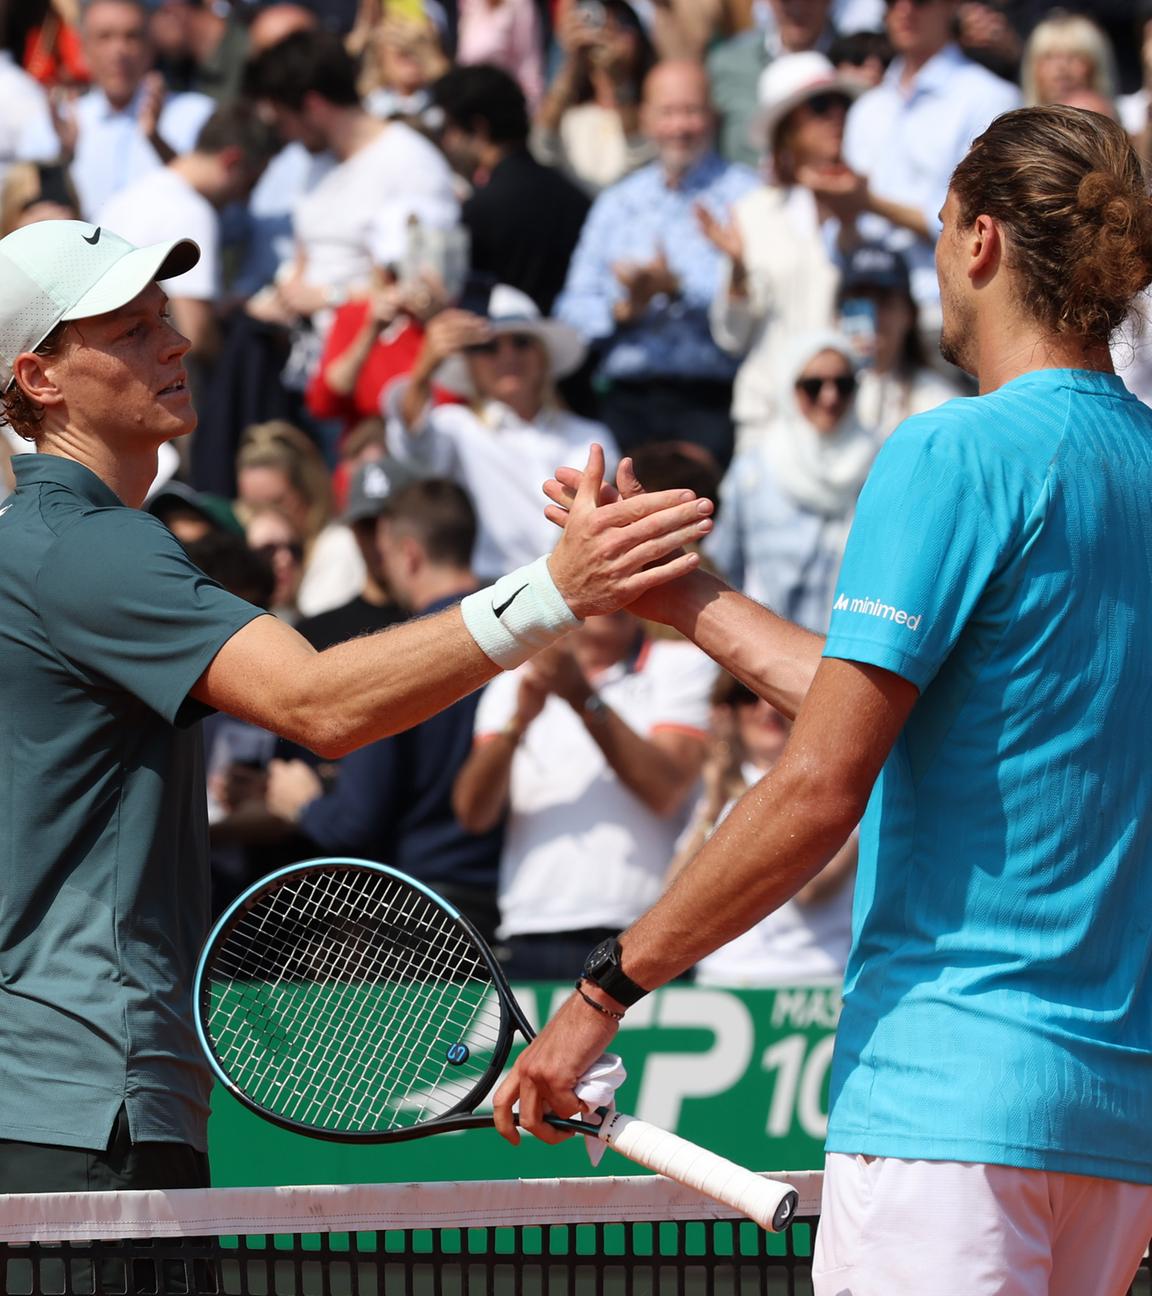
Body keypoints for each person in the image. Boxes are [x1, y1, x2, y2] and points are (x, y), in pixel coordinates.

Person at [493, 105, 1152, 1296]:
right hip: (1112, 1131)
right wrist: (682, 593)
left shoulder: (951, 453)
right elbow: (910, 706)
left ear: (983, 242)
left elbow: (819, 783)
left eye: (943, 230)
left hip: (946, 1111)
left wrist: (600, 996)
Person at [0, 217, 709, 1193]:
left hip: (67, 1100)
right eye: (126, 330)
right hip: (81, 1106)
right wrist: (556, 591)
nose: (171, 341)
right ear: (39, 379)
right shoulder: (88, 547)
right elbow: (320, 705)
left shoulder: (43, 544)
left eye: (164, 316)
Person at [266, 478, 505, 942]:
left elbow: (356, 822)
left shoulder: (398, 660)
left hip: (416, 918)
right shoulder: (526, 640)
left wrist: (303, 805)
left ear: (409, 555)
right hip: (511, 903)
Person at [453, 608, 715, 979]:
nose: (618, 602)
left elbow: (666, 790)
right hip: (532, 926)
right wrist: (518, 725)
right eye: (604, 590)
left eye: (628, 590)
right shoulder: (511, 682)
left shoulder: (681, 666)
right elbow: (473, 815)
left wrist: (579, 696)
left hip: (647, 928)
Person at [555, 60, 758, 468]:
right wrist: (623, 310)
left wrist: (677, 288)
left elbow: (763, 295)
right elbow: (570, 308)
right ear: (645, 118)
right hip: (626, 400)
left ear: (712, 116)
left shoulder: (748, 196)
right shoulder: (618, 202)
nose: (680, 126)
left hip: (712, 397)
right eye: (667, 112)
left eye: (691, 111)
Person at [805, 0, 1019, 335]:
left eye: (920, 1)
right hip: (864, 309)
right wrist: (842, 210)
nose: (904, 10)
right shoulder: (868, 108)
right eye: (892, 2)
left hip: (943, 314)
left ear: (951, 7)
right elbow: (841, 236)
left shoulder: (990, 99)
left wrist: (867, 202)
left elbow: (979, 226)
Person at [386, 280, 618, 583]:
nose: (507, 355)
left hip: (580, 591)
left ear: (542, 356)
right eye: (488, 346)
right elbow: (413, 443)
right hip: (494, 596)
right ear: (470, 366)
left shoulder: (590, 435)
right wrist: (423, 370)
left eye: (521, 341)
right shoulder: (455, 425)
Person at [701, 50, 860, 446]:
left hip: (848, 417)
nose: (837, 116)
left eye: (844, 104)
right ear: (787, 129)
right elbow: (732, 337)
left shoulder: (869, 203)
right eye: (821, 106)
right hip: (770, 421)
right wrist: (737, 269)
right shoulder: (752, 214)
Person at [669, 673, 855, 987]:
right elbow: (673, 900)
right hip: (721, 979)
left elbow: (810, 890)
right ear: (729, 713)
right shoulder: (715, 793)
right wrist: (713, 807)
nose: (768, 707)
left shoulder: (841, 785)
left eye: (780, 693)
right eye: (749, 695)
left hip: (813, 980)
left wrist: (756, 806)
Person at [706, 330, 877, 631]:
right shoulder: (754, 472)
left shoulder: (882, 463)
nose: (830, 397)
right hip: (769, 647)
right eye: (813, 386)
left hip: (854, 646)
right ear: (789, 387)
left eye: (843, 384)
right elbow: (723, 567)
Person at [98, 102, 278, 365]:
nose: (245, 199)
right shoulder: (192, 213)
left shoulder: (132, 195)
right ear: (232, 161)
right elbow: (197, 334)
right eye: (250, 183)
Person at [18, 0, 216, 220]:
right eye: (104, 37)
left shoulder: (195, 115)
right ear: (82, 47)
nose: (119, 50)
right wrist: (64, 157)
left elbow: (216, 206)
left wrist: (157, 141)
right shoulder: (54, 125)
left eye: (132, 36)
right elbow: (24, 216)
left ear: (151, 46)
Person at [431, 64, 591, 315]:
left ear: (478, 128)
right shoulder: (574, 195)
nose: (447, 142)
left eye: (449, 129)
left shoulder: (481, 209)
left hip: (504, 345)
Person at [532, 0, 657, 195]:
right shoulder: (572, 116)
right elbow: (541, 149)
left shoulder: (655, 110)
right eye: (597, 23)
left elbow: (641, 156)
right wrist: (573, 65)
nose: (608, 34)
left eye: (621, 25)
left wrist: (619, 81)